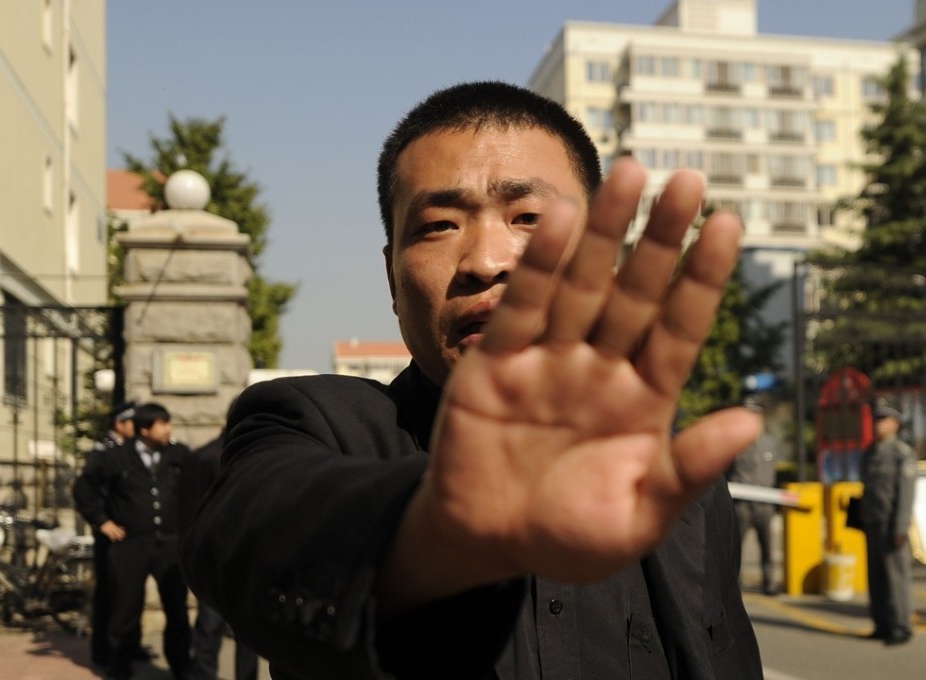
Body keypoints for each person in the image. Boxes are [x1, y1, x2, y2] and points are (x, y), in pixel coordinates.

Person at [183, 81, 763, 679]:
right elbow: (244, 536)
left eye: (529, 217)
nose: (486, 261)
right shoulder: (317, 424)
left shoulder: (680, 488)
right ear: (391, 277)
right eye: (438, 225)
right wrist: (439, 530)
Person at [74, 402, 193, 679]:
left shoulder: (178, 454)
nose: (169, 429)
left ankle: (181, 666)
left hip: (169, 543)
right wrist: (102, 521)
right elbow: (84, 487)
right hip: (130, 544)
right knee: (125, 608)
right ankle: (119, 666)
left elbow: (196, 485)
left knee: (177, 608)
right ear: (144, 430)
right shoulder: (116, 457)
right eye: (162, 424)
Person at [180, 429, 258, 680]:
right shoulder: (214, 457)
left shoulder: (213, 455)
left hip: (225, 555)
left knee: (216, 627)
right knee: (226, 627)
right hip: (225, 555)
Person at [83, 401, 153, 669]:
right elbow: (88, 489)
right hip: (110, 535)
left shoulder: (133, 450)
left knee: (131, 594)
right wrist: (102, 521)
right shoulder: (104, 452)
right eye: (132, 423)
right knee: (109, 593)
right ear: (119, 424)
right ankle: (103, 650)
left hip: (131, 536)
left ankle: (130, 644)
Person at [859, 403, 917, 646]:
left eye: (884, 420)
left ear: (896, 424)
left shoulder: (901, 453)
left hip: (891, 524)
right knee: (876, 577)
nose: (879, 424)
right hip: (872, 521)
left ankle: (901, 626)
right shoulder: (870, 452)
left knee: (896, 577)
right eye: (877, 419)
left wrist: (900, 527)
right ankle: (881, 623)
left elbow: (906, 495)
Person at [727, 398, 781, 595]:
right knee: (735, 545)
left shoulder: (771, 442)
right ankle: (733, 583)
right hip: (741, 501)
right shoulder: (734, 442)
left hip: (764, 503)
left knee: (767, 545)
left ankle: (769, 581)